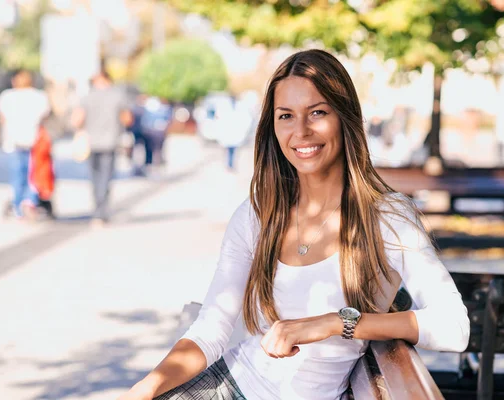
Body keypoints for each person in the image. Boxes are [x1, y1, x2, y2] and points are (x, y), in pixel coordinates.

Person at [119, 49, 470, 400]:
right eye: (286, 116)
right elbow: (211, 328)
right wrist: (144, 388)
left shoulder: (387, 217)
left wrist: (337, 322)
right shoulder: (260, 212)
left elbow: (454, 328)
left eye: (317, 112)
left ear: (344, 117)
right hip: (229, 385)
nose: (300, 131)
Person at [70, 71, 132, 225]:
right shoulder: (118, 96)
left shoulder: (87, 97)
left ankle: (98, 209)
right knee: (106, 176)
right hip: (110, 142)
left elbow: (77, 120)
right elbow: (127, 119)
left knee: (95, 177)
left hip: (91, 142)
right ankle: (101, 211)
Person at [0, 69, 50, 218]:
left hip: (14, 140)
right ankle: (29, 202)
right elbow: (45, 118)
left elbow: (2, 119)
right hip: (33, 140)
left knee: (17, 174)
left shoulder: (7, 97)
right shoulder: (39, 97)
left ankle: (19, 205)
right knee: (32, 174)